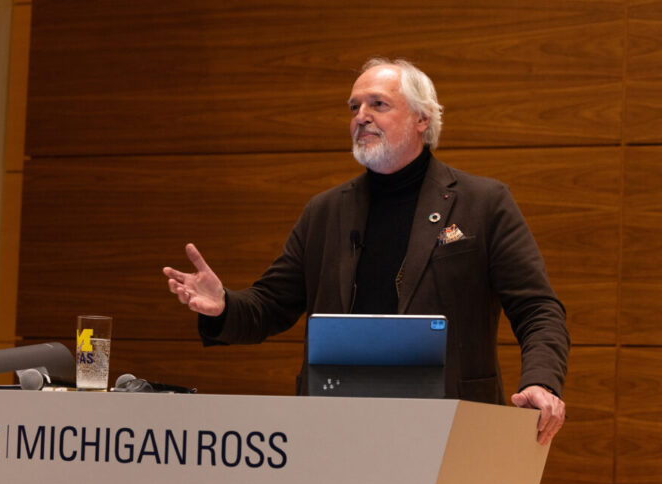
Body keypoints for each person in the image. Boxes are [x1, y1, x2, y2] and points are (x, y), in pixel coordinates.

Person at [163, 58, 569, 445]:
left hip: (451, 424)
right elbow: (270, 305)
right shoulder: (325, 211)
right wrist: (223, 306)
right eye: (354, 106)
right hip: (336, 427)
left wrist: (541, 381)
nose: (361, 116)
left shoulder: (483, 203)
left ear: (422, 119)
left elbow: (538, 308)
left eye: (378, 104)